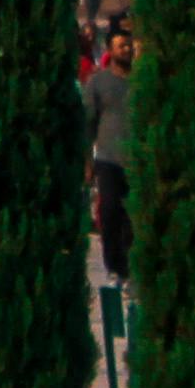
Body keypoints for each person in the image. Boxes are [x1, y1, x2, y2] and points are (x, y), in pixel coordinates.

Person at [79, 26, 135, 286]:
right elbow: (89, 122)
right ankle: (114, 265)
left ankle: (130, 267)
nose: (127, 50)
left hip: (137, 159)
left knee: (132, 215)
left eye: (129, 45)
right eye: (121, 46)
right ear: (110, 51)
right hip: (108, 158)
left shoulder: (140, 80)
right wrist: (87, 161)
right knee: (111, 210)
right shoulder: (98, 82)